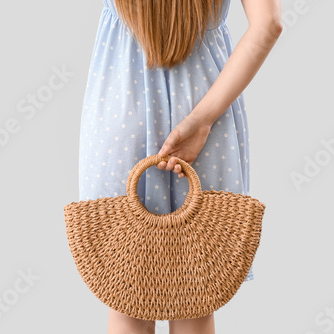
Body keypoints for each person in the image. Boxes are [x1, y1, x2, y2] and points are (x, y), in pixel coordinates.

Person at [77, 0, 282, 333]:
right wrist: (201, 121)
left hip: (121, 107)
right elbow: (268, 25)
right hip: (207, 110)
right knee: (195, 297)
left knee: (126, 297)